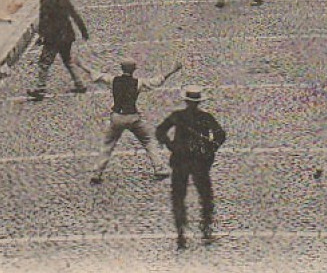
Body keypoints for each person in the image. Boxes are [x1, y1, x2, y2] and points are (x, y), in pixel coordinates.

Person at [156, 87, 227, 249]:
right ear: (199, 102)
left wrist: (171, 145)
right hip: (199, 161)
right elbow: (220, 134)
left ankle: (181, 230)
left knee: (179, 197)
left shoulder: (177, 116)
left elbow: (160, 130)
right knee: (206, 195)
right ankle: (206, 228)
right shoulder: (205, 117)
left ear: (186, 101)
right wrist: (211, 149)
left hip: (180, 160)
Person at [90, 58, 181, 184]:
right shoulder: (138, 82)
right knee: (148, 141)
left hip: (116, 117)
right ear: (134, 69)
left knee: (108, 144)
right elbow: (156, 82)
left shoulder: (113, 80)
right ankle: (159, 168)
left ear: (121, 68)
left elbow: (96, 76)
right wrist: (172, 71)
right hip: (132, 117)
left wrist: (82, 66)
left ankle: (97, 172)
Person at [27, 0, 89, 100]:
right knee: (67, 60)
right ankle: (80, 84)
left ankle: (40, 89)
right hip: (67, 36)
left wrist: (41, 36)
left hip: (53, 38)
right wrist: (84, 31)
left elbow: (43, 21)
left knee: (44, 63)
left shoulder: (45, 2)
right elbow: (75, 16)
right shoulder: (64, 1)